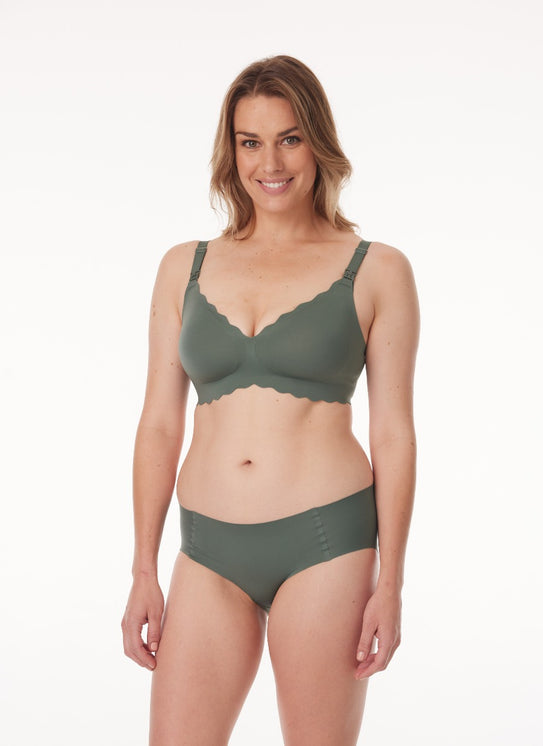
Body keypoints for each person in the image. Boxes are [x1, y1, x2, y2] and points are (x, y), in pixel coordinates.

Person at [121, 54, 420, 746]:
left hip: (326, 544)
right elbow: (159, 423)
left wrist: (392, 583)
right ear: (231, 153)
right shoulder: (184, 265)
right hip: (206, 550)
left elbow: (395, 434)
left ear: (319, 143)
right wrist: (143, 567)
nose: (271, 163)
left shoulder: (377, 269)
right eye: (250, 142)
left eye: (290, 138)